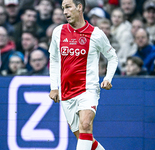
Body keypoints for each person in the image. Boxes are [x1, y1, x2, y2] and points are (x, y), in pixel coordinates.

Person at [49, 0, 118, 150]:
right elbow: (54, 59)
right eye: (63, 8)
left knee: (86, 125)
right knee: (84, 138)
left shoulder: (96, 34)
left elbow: (112, 57)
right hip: (66, 93)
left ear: (79, 7)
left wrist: (108, 78)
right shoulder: (58, 32)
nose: (65, 12)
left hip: (88, 89)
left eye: (68, 7)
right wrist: (54, 87)